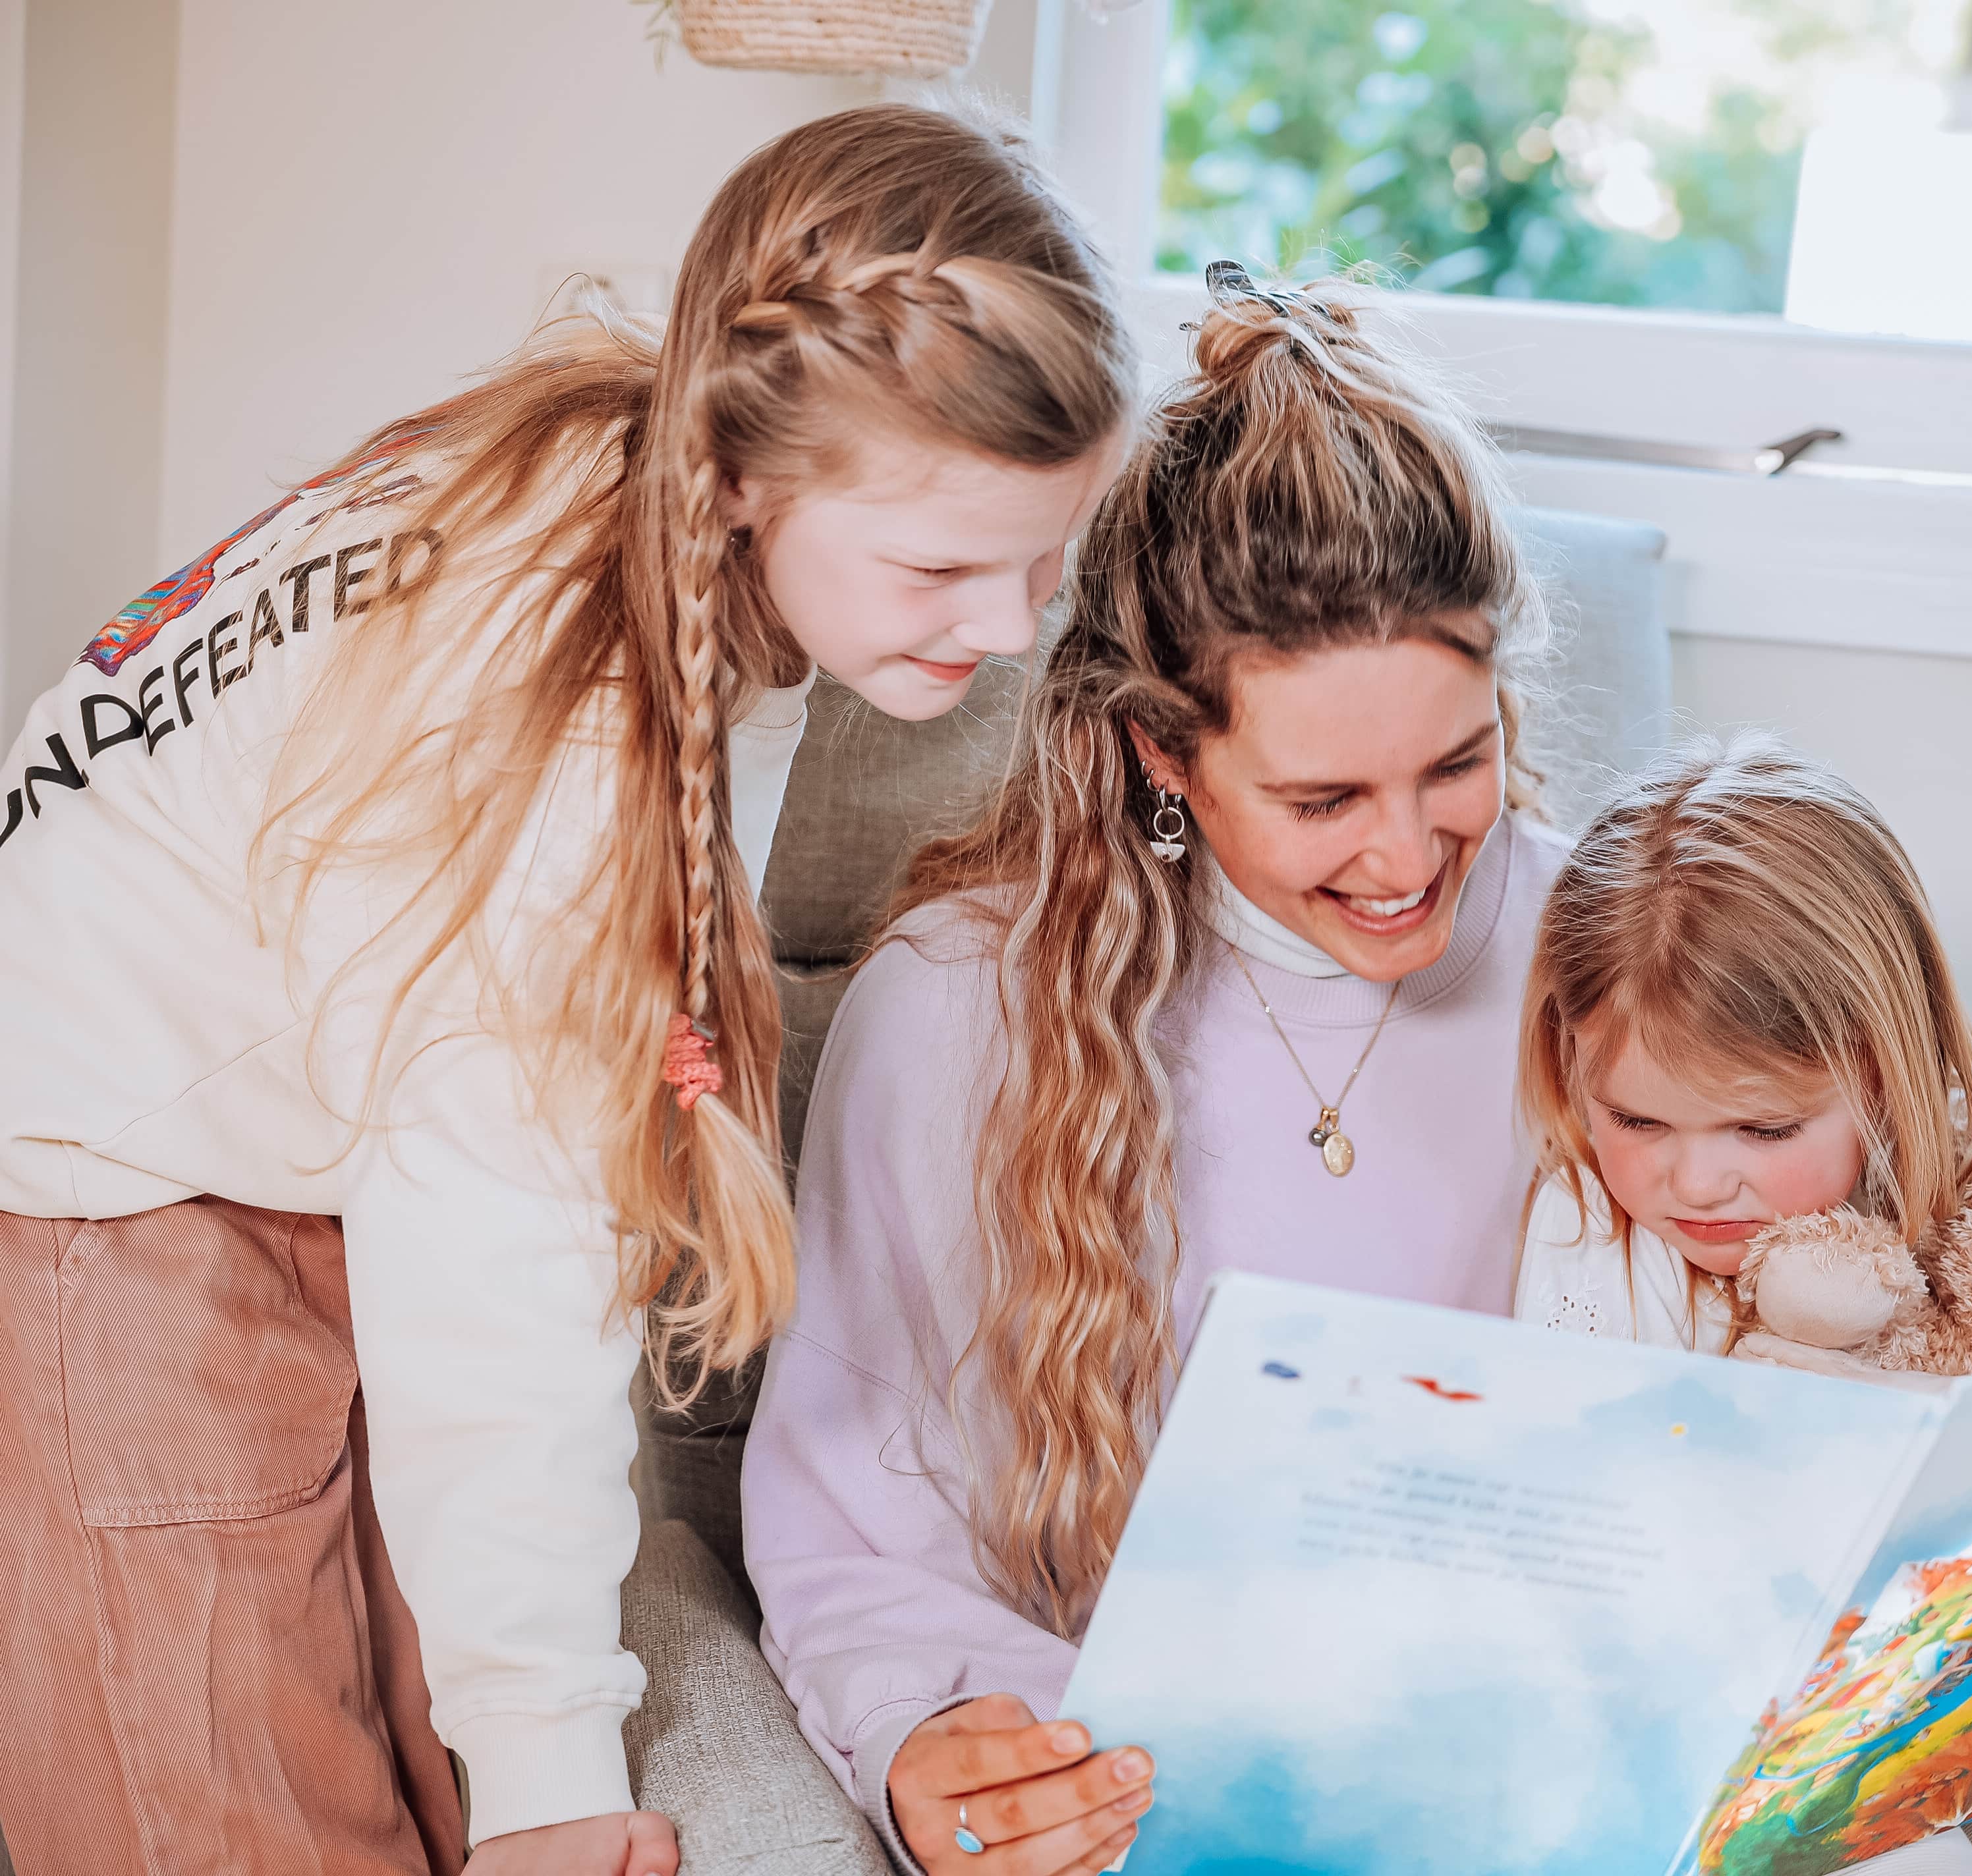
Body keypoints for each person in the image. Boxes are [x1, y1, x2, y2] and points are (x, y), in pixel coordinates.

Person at [0, 105, 1131, 1876]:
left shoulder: (657, 484)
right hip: (109, 1199)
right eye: (937, 569)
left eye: (1044, 563)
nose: (1004, 627)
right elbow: (494, 1244)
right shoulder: (559, 737)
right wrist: (545, 1780)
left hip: (281, 1146)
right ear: (753, 472)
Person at [744, 271, 1574, 1875]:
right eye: (1324, 795)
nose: (1410, 853)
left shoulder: (1597, 939)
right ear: (1163, 755)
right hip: (1178, 1797)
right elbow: (852, 1524)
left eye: (1457, 762)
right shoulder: (959, 1009)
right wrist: (930, 1739)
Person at [1513, 732, 1972, 1876]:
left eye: (1764, 1129)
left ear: (1877, 1066)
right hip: (1725, 1741)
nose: (1697, 1182)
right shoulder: (1590, 1240)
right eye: (1637, 1121)